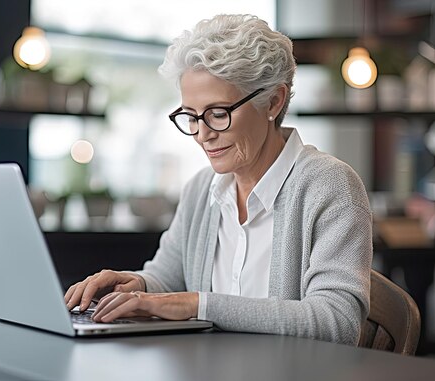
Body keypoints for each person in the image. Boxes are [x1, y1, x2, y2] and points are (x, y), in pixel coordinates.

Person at [64, 14, 372, 345]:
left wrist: (198, 304)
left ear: (273, 100)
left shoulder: (330, 186)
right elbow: (167, 277)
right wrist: (136, 286)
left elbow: (338, 322)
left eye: (218, 113)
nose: (202, 134)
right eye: (191, 116)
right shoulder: (201, 190)